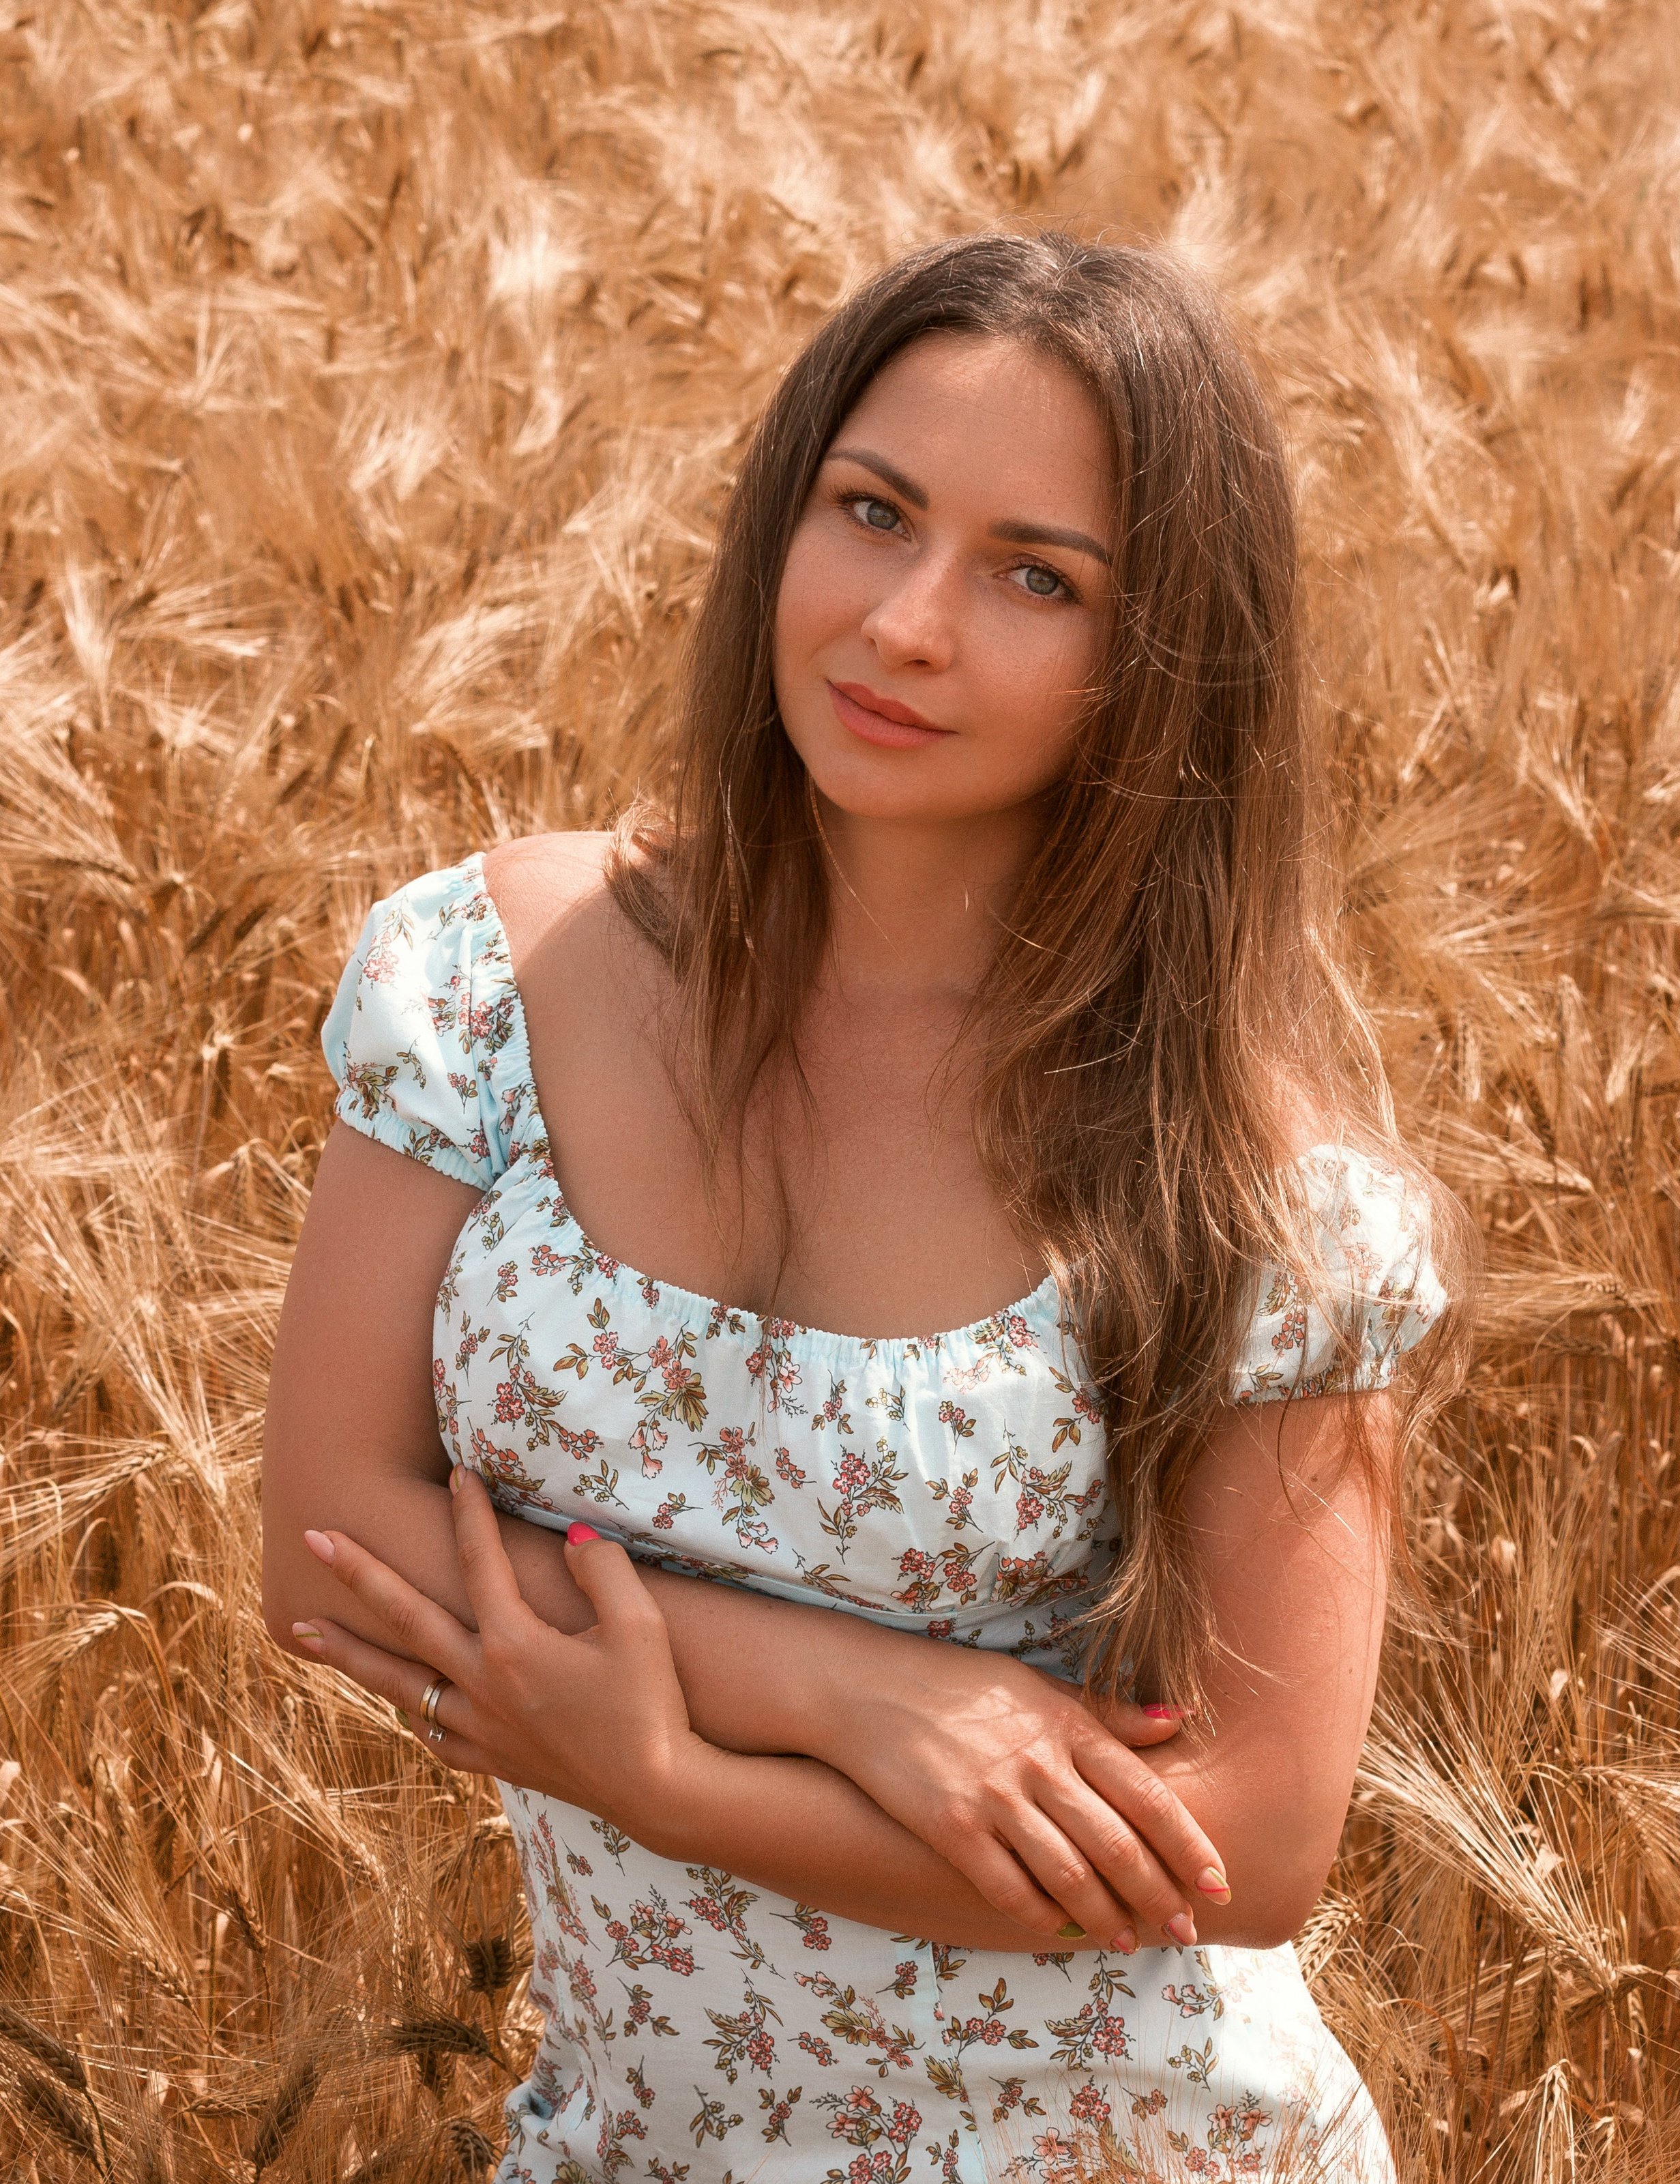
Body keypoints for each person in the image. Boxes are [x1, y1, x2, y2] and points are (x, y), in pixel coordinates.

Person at [261, 231, 1469, 2183]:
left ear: (1160, 665)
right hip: (634, 2142)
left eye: (1035, 576)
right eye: (874, 511)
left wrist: (667, 1778)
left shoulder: (1250, 1185)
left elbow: (1250, 1843)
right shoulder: (485, 981)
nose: (906, 624)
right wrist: (866, 1691)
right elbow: (330, 1549)